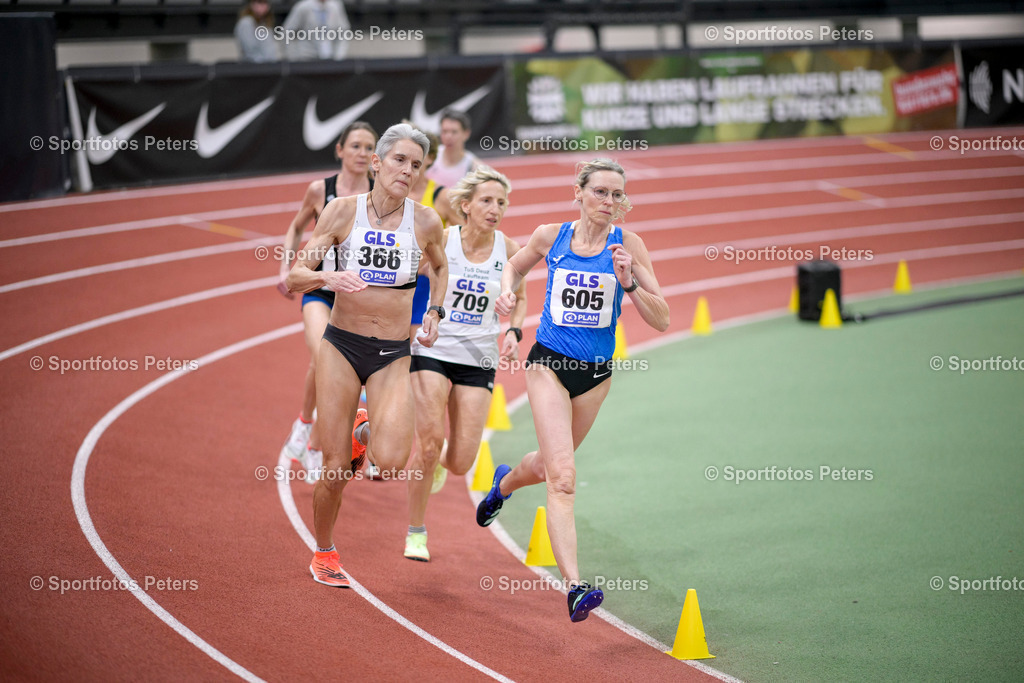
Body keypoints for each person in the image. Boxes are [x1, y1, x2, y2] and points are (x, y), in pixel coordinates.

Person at [475, 159, 670, 622]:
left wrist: (630, 284)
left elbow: (662, 318)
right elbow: (513, 267)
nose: (608, 202)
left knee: (546, 466)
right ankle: (576, 587)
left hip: (595, 376)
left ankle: (502, 485)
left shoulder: (630, 246)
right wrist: (506, 296)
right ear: (578, 193)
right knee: (564, 476)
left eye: (616, 195)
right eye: (600, 191)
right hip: (549, 365)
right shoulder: (551, 236)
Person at [286, 123, 448, 588]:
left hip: (392, 351)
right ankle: (324, 552)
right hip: (341, 346)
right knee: (335, 470)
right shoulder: (341, 211)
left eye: (416, 165)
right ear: (376, 163)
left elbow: (440, 267)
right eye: (399, 160)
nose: (408, 170)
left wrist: (435, 310)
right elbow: (297, 275)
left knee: (393, 461)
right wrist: (327, 279)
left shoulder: (425, 221)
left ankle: (366, 432)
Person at [404, 166, 526, 562]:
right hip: (433, 348)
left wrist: (514, 331)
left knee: (460, 461)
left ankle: (441, 462)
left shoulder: (508, 248)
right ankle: (416, 532)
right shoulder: (443, 238)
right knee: (428, 443)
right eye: (487, 201)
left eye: (502, 202)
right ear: (466, 205)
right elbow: (410, 277)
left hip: (479, 357)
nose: (495, 209)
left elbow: (520, 296)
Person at [277, 122, 377, 483]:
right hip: (320, 287)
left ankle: (312, 438)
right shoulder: (321, 190)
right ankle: (309, 430)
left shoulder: (378, 194)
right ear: (339, 150)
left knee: (333, 368)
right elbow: (296, 226)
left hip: (358, 294)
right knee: (324, 356)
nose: (362, 153)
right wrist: (285, 268)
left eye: (369, 147)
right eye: (355, 146)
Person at [426, 109, 480, 189]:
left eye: (454, 132)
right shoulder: (430, 156)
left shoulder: (474, 167)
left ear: (466, 134)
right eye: (445, 131)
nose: (448, 137)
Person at [282, 0, 351, 60]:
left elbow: (344, 33)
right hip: (306, 57)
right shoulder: (303, 7)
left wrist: (339, 56)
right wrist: (293, 57)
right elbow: (287, 32)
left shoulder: (335, 6)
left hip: (329, 57)